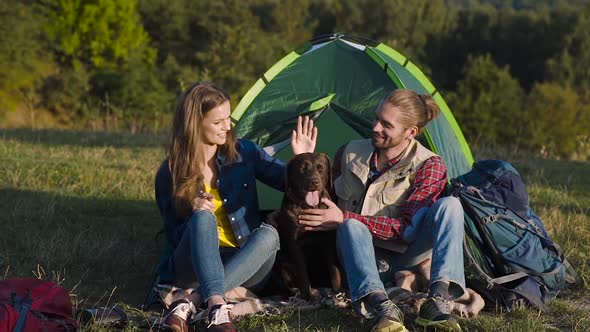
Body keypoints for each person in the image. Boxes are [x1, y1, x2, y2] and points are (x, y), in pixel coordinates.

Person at [154, 82, 317, 332]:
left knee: (269, 235)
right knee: (202, 219)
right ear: (195, 123)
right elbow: (174, 237)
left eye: (229, 119)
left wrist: (300, 160)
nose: (228, 127)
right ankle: (217, 305)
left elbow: (289, 184)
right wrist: (189, 207)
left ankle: (193, 301)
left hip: (245, 262)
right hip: (194, 265)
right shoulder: (170, 172)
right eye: (218, 122)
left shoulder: (244, 152)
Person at [299, 89, 465, 332]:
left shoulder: (429, 165)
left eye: (386, 125)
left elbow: (408, 230)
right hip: (357, 257)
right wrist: (303, 158)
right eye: (376, 118)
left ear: (411, 132)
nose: (375, 127)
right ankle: (381, 307)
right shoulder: (348, 152)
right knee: (351, 227)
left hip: (405, 256)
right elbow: (324, 202)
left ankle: (437, 301)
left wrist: (344, 217)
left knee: (451, 205)